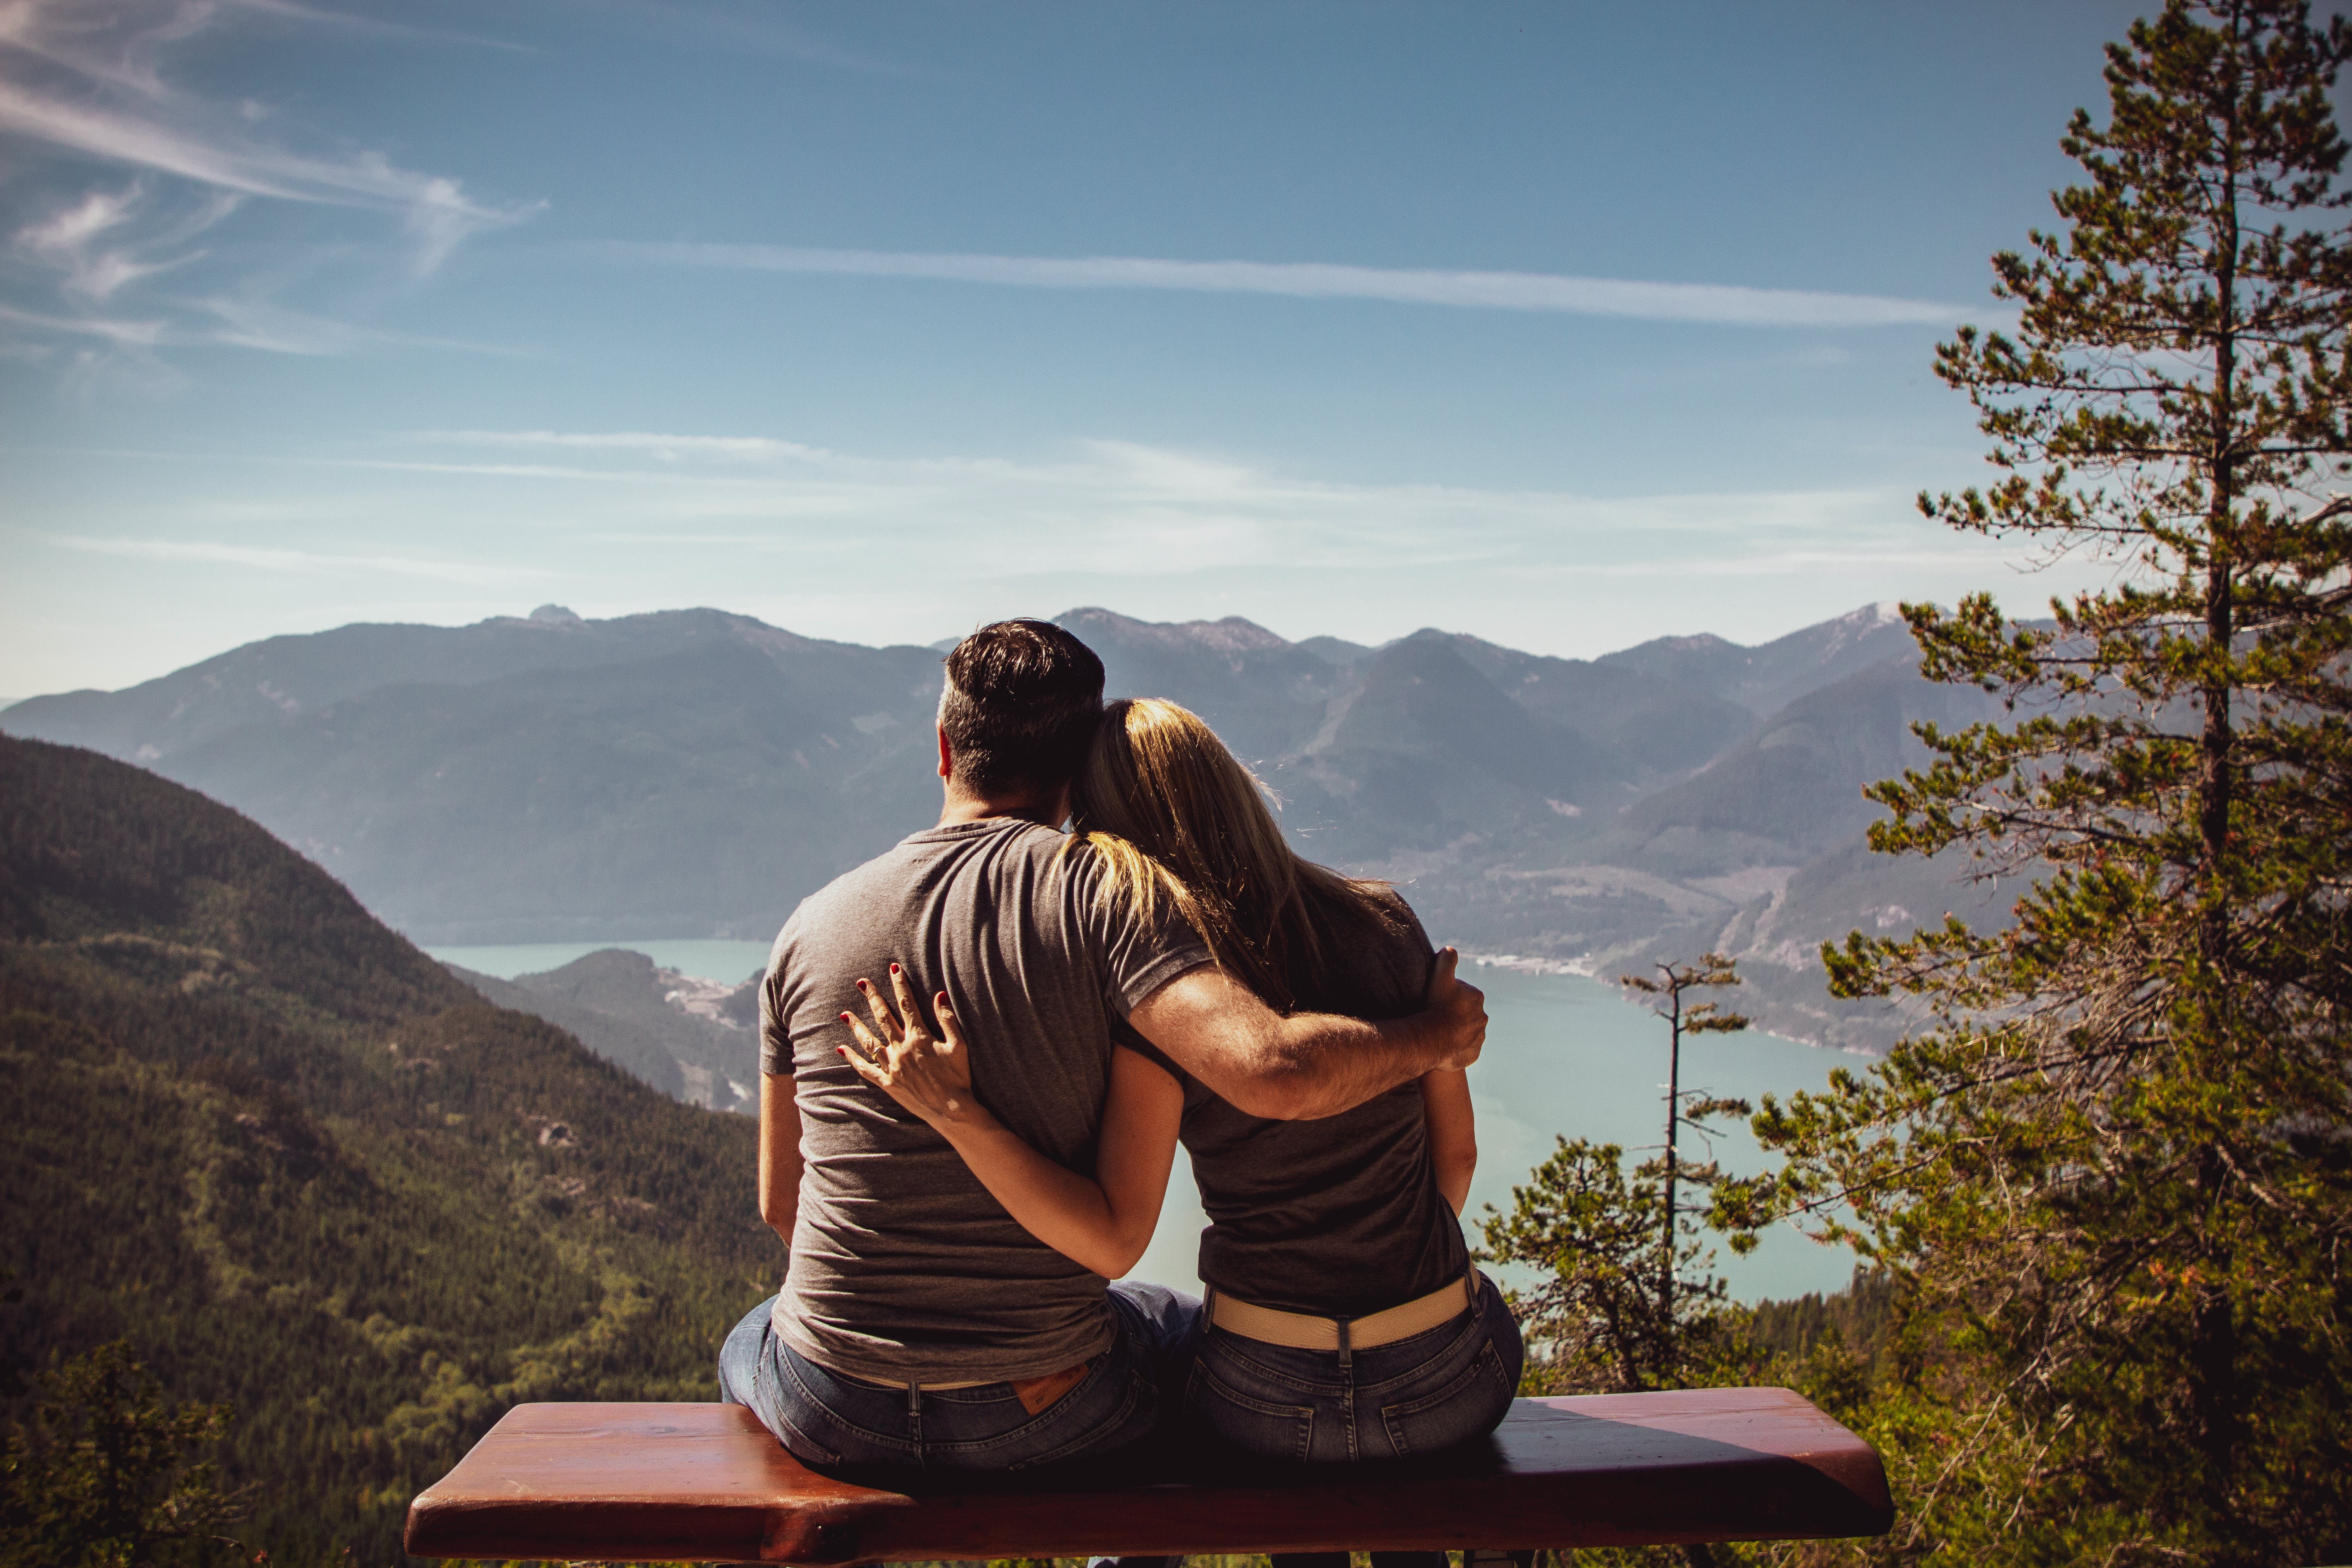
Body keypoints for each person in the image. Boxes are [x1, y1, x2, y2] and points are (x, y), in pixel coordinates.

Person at [720, 623, 1488, 1477]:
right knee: (1163, 1323)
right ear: (1080, 764)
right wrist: (1434, 1037)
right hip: (1046, 1408)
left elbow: (784, 1210)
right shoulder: (1111, 900)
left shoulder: (807, 928)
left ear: (943, 749)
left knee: (751, 1338)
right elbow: (1271, 1074)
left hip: (834, 1403)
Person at [843, 696, 1523, 1567]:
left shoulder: (1167, 999)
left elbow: (1118, 1221)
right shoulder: (1385, 923)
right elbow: (1454, 1160)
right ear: (1232, 786)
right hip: (1445, 1374)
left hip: (1266, 1388)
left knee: (1162, 1354)